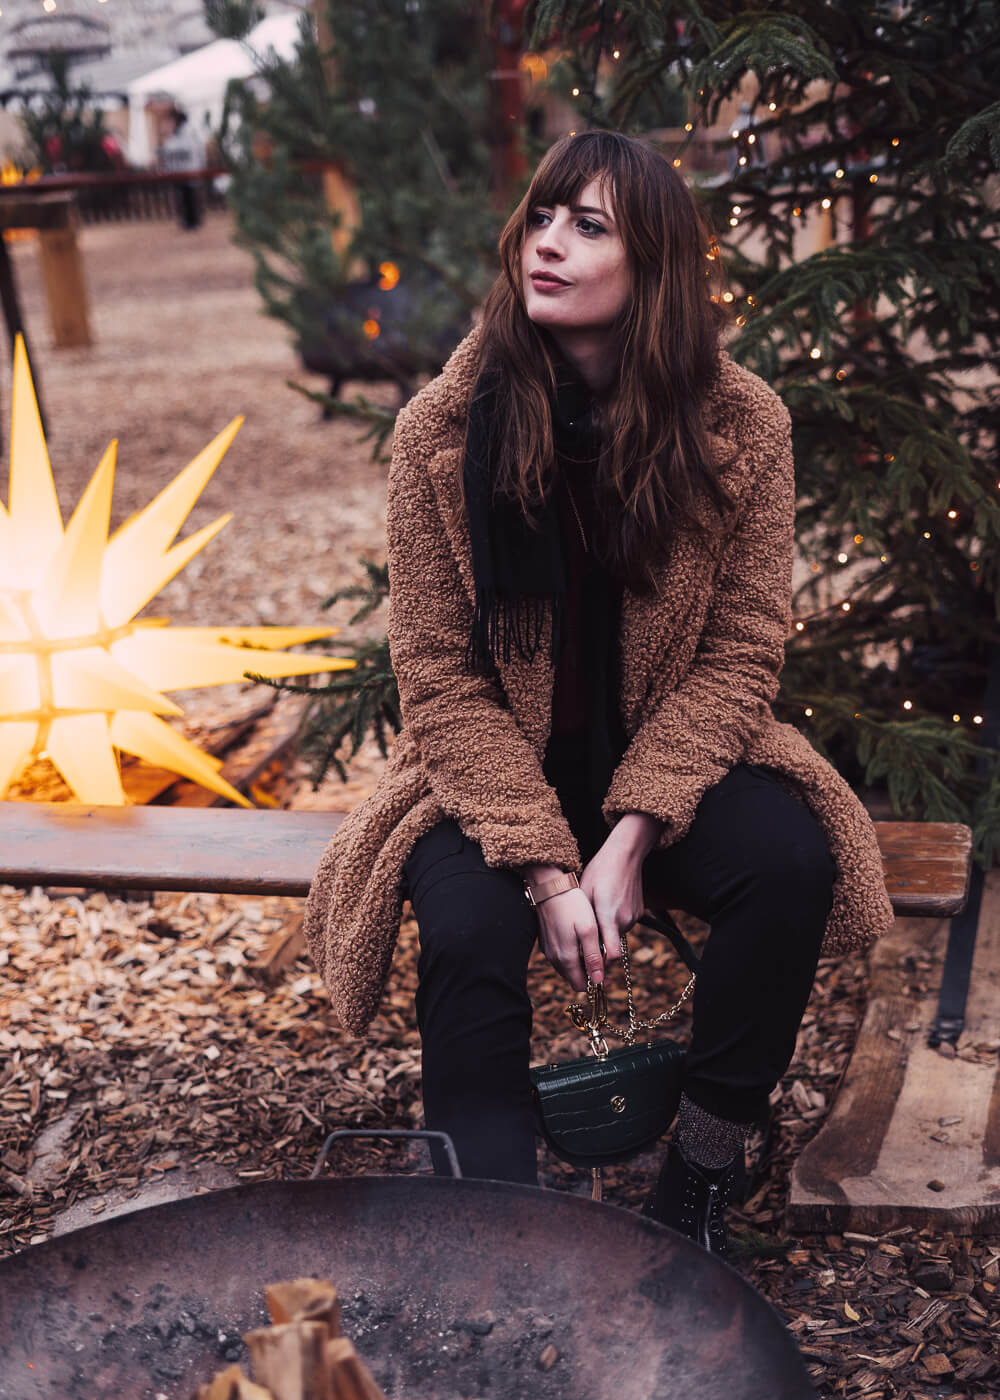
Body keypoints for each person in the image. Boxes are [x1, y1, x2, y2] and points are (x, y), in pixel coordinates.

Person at [304, 131, 894, 1256]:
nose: (550, 245)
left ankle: (701, 1172)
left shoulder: (740, 423)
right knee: (470, 934)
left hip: (663, 759)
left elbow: (740, 652)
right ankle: (495, 1225)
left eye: (589, 226)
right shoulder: (442, 427)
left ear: (653, 265)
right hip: (491, 771)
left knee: (789, 862)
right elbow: (435, 674)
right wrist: (539, 866)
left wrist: (628, 839)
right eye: (541, 218)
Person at [158, 105, 205, 230]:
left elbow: (188, 150)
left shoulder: (187, 132)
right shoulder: (175, 134)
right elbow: (169, 150)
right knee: (183, 196)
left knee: (190, 196)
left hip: (189, 169)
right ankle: (188, 220)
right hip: (179, 171)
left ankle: (193, 221)